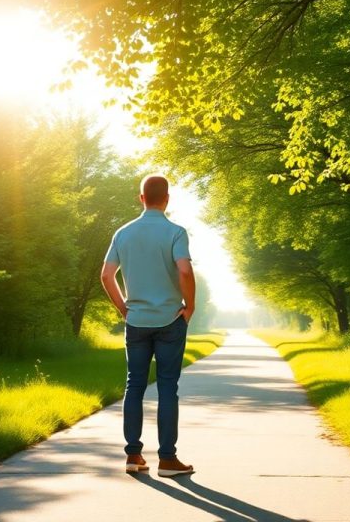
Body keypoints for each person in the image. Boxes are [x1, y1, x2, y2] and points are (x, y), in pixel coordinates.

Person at [100, 174, 196, 477]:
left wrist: (123, 307)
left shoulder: (123, 233)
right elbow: (185, 270)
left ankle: (133, 456)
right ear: (167, 199)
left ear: (141, 198)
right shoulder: (176, 232)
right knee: (167, 387)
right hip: (170, 319)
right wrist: (190, 305)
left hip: (136, 321)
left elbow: (106, 275)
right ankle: (167, 459)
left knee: (135, 385)